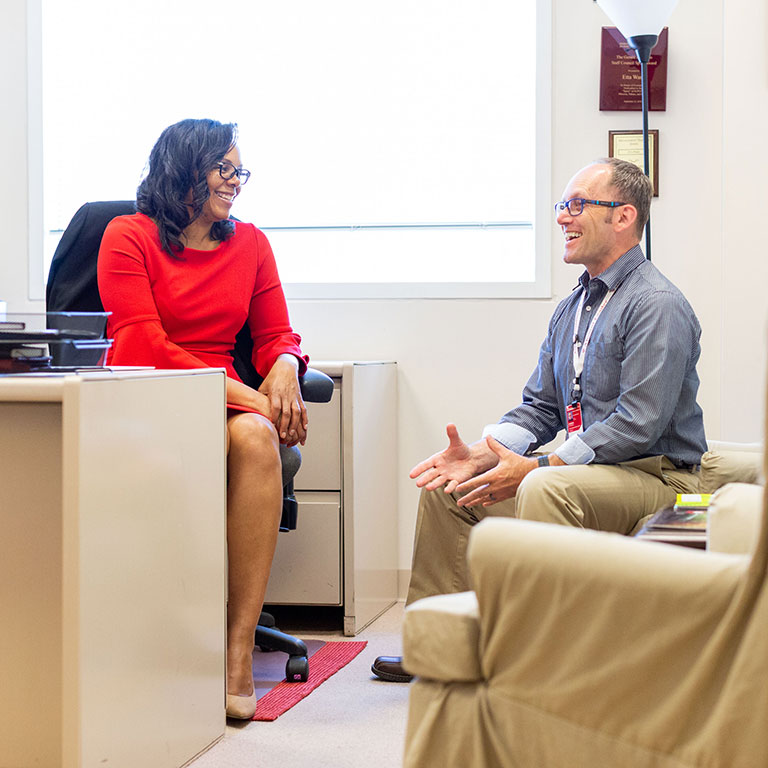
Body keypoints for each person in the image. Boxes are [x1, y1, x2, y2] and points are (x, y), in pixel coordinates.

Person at [372, 157, 707, 683]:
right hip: (587, 473)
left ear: (623, 217)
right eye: (562, 206)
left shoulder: (656, 304)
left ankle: (540, 665)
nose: (562, 219)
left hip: (662, 479)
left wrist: (540, 467)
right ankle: (438, 646)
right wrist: (486, 452)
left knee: (546, 488)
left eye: (577, 206)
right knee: (448, 488)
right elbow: (542, 407)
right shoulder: (573, 306)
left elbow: (637, 424)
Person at [97, 118, 309, 718]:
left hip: (228, 401)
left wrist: (288, 367)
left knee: (255, 434)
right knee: (255, 419)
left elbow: (274, 335)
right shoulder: (126, 235)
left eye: (241, 171)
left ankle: (235, 653)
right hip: (153, 400)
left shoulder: (251, 244)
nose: (236, 182)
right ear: (185, 168)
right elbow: (139, 346)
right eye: (225, 169)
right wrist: (253, 397)